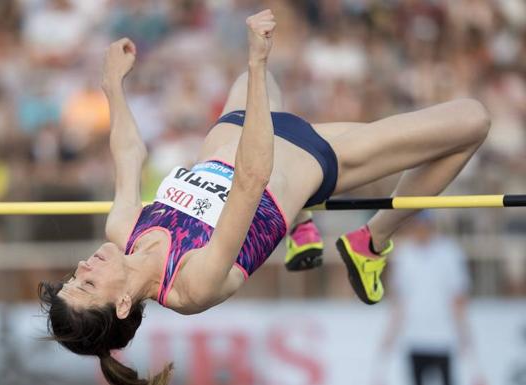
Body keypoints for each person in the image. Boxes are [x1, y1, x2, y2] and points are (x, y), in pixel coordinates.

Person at [38, 9, 491, 385]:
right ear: (121, 305)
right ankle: (371, 241)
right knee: (472, 121)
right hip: (306, 159)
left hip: (237, 125)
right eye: (88, 284)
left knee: (263, 77)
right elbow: (252, 179)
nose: (82, 267)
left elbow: (129, 154)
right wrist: (255, 65)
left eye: (72, 278)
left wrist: (112, 87)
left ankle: (300, 224)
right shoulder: (191, 285)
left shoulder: (123, 230)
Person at [379, 212, 486, 385]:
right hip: (414, 337)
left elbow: (458, 299)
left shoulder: (449, 252)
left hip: (443, 337)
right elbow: (399, 301)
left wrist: (465, 336)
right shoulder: (404, 254)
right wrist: (389, 336)